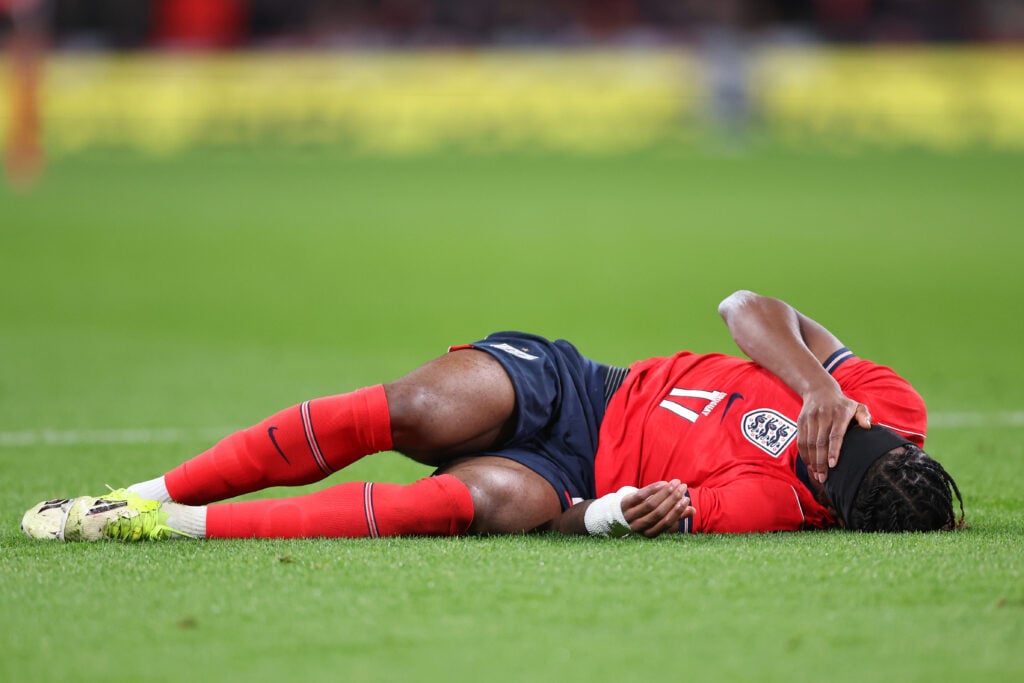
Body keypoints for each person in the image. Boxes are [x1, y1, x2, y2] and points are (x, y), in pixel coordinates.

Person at [21, 290, 963, 542]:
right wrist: (822, 385)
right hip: (582, 387)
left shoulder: (776, 502)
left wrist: (611, 515)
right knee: (422, 408)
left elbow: (575, 519)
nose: (828, 445)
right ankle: (144, 488)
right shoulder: (877, 404)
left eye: (832, 461)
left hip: (576, 478)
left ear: (834, 497)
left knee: (460, 506)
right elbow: (745, 304)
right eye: (856, 440)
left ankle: (162, 522)